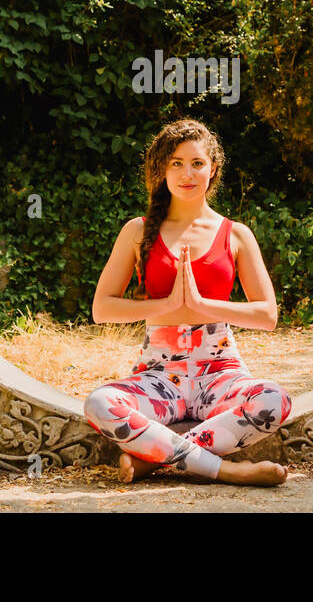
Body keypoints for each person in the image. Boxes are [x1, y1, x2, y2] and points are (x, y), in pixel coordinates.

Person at [84, 118, 292, 486]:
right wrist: (165, 306)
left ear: (213, 169)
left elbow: (267, 315)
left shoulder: (236, 235)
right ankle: (226, 471)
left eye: (197, 163)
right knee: (99, 404)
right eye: (176, 163)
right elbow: (103, 308)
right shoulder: (137, 231)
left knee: (275, 400)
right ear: (161, 170)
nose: (187, 173)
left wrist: (202, 304)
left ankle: (157, 460)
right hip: (159, 376)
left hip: (220, 372)